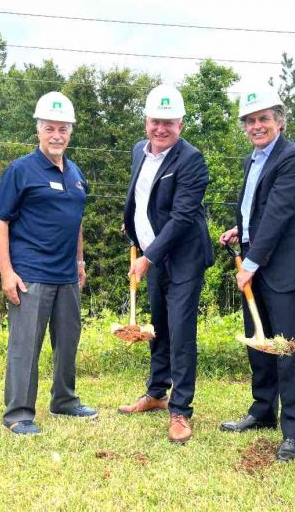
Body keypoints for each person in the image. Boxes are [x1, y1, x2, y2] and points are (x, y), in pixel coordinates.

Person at [0, 91, 97, 435]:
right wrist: (7, 272)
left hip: (66, 274)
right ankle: (19, 413)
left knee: (67, 342)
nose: (56, 135)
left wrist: (80, 261)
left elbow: (76, 219)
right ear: (38, 131)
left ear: (70, 133)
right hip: (30, 275)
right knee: (25, 346)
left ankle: (64, 400)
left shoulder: (76, 173)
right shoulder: (20, 170)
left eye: (63, 129)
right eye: (50, 128)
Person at [218, 87, 295, 462]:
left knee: (286, 349)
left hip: (280, 270)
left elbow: (278, 214)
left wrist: (251, 263)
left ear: (279, 120)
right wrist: (239, 232)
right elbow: (255, 211)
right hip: (254, 263)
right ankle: (262, 412)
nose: (257, 126)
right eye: (250, 121)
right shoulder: (251, 160)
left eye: (263, 119)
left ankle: (293, 431)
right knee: (260, 347)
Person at [118, 84, 214, 443]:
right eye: (156, 121)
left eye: (169, 123)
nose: (161, 129)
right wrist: (132, 227)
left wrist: (148, 257)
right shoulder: (138, 153)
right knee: (159, 326)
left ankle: (181, 410)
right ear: (146, 121)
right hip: (152, 254)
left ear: (181, 125)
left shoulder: (191, 160)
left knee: (181, 330)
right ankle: (157, 393)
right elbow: (141, 199)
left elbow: (182, 217)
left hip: (184, 258)